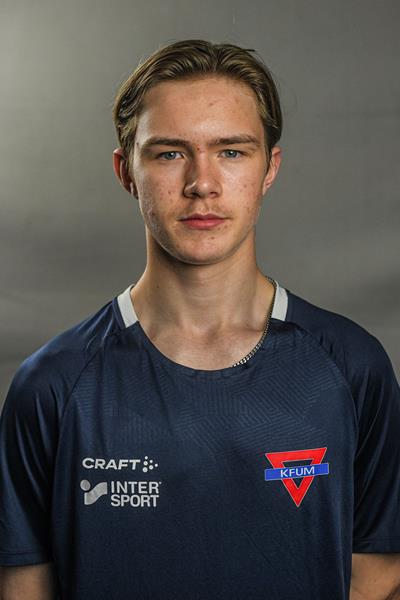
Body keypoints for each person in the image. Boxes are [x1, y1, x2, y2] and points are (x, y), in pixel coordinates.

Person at [0, 39, 399, 600]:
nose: (202, 183)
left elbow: (378, 576)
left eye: (231, 152)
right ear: (126, 171)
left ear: (269, 169)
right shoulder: (53, 386)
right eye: (169, 154)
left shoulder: (352, 367)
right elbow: (23, 588)